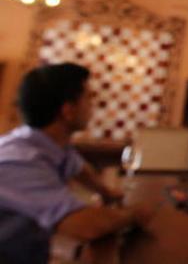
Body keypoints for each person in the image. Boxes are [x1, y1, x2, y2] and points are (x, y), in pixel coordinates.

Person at [0, 63, 154, 263]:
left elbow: (79, 168)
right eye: (88, 98)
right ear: (68, 110)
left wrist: (106, 192)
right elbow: (86, 226)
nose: (93, 104)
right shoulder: (19, 162)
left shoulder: (43, 142)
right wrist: (132, 215)